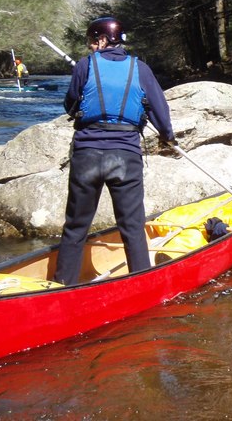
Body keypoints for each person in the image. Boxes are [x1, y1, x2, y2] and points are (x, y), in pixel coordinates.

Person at [54, 16, 177, 286]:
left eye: (91, 41)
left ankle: (64, 286)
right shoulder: (140, 69)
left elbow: (70, 106)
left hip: (87, 155)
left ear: (101, 39)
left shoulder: (85, 66)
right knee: (132, 227)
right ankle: (141, 285)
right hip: (125, 156)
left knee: (76, 226)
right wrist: (168, 137)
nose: (90, 47)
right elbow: (160, 111)